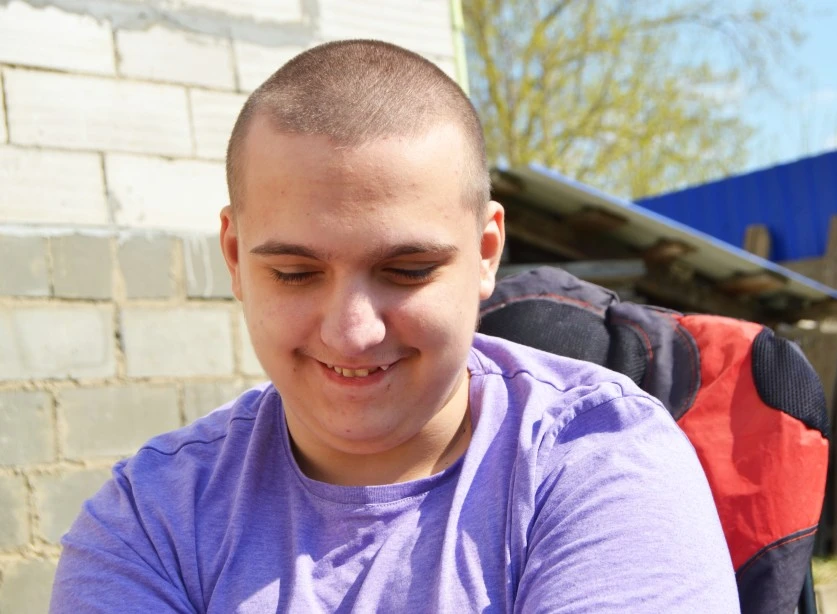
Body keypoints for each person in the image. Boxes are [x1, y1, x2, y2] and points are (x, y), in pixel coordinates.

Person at [50, 40, 739, 612]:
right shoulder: (150, 520)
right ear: (234, 256)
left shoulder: (598, 460)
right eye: (294, 273)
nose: (351, 333)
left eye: (407, 269)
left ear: (485, 253)